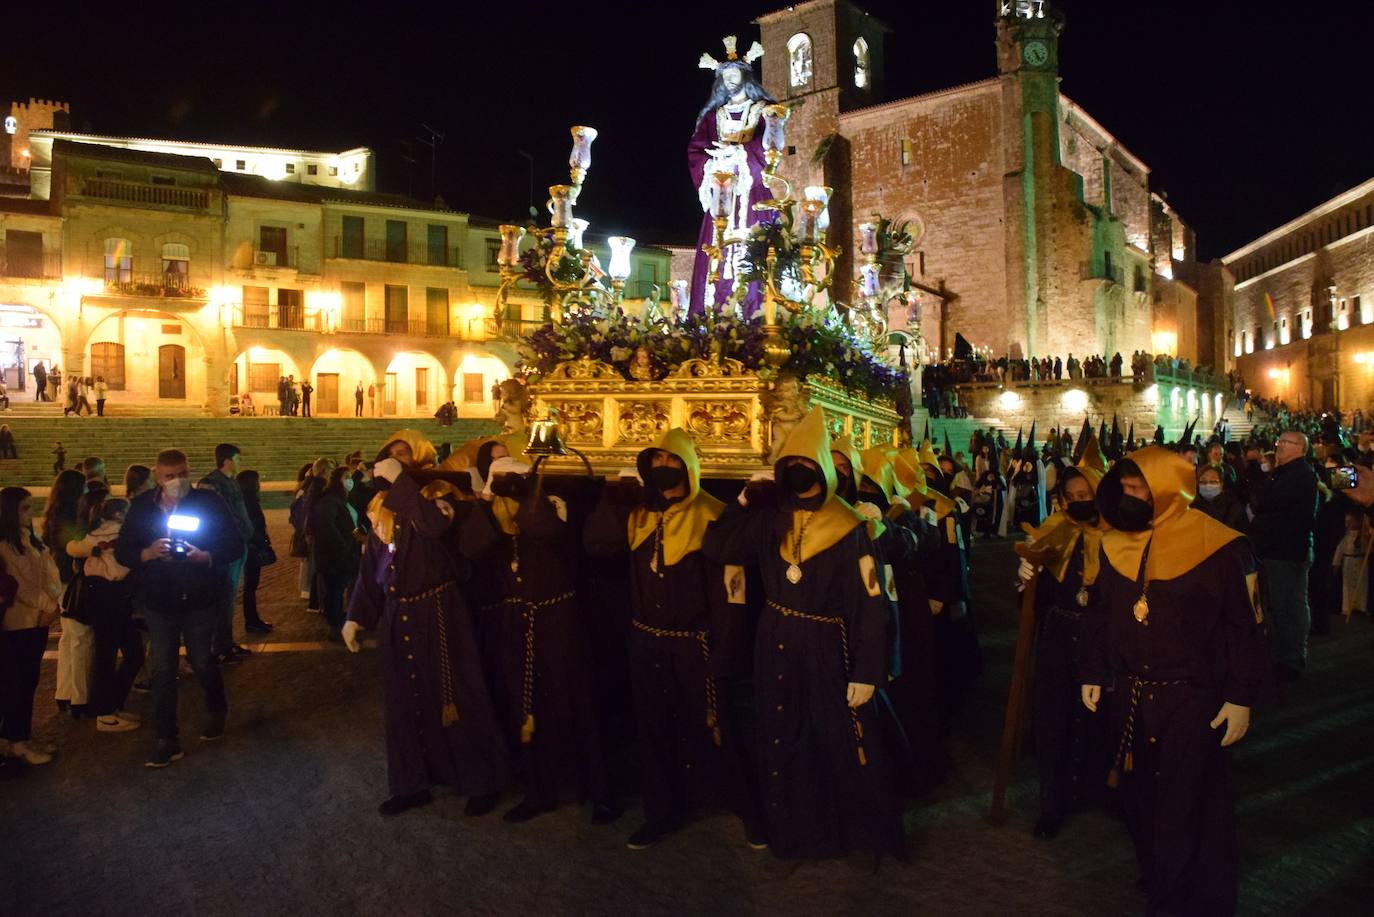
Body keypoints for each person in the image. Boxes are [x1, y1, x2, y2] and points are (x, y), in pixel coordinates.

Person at [703, 407, 904, 867]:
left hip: (828, 645)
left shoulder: (849, 525)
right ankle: (795, 832)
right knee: (782, 735)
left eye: (807, 465)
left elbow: (870, 603)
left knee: (837, 739)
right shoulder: (769, 518)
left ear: (824, 471)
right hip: (776, 639)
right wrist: (740, 502)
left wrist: (867, 670)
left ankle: (852, 836)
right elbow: (718, 548)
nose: (798, 473)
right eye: (790, 464)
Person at [1082, 447, 1273, 917]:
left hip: (1192, 697)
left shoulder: (1223, 545)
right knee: (1139, 797)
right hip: (1130, 693)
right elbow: (1101, 615)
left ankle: (1189, 899)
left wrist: (1240, 694)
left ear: (1166, 488)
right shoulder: (1115, 542)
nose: (1129, 497)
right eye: (1123, 488)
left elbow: (1244, 627)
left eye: (1139, 488)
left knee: (1189, 805)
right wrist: (1093, 669)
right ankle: (1160, 876)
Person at [583, 429, 765, 850]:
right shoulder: (640, 514)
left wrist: (725, 649)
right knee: (653, 731)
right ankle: (660, 812)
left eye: (672, 462)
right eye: (657, 463)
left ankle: (749, 813)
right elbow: (599, 545)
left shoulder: (713, 515)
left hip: (696, 644)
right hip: (647, 642)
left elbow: (732, 589)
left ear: (689, 467)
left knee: (719, 729)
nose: (664, 469)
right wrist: (614, 500)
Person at [342, 430, 510, 817]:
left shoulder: (441, 494)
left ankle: (479, 779)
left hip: (439, 607)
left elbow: (434, 529)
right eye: (391, 453)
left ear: (420, 460)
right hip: (397, 612)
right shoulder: (380, 505)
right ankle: (411, 782)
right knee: (403, 702)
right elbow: (372, 567)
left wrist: (404, 485)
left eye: (405, 455)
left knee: (458, 696)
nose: (397, 459)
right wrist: (356, 615)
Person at [460, 450, 615, 825]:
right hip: (517, 619)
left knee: (575, 701)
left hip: (558, 617)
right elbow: (470, 547)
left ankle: (599, 791)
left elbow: (548, 533)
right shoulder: (496, 516)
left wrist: (527, 492)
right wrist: (486, 498)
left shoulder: (553, 503)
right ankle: (537, 789)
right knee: (524, 706)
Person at [115, 448, 245, 768]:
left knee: (202, 661)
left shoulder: (208, 502)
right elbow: (123, 550)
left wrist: (206, 556)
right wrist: (146, 553)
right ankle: (166, 738)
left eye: (183, 475)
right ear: (157, 478)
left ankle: (216, 709)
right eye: (170, 477)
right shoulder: (143, 507)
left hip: (199, 596)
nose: (177, 482)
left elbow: (234, 543)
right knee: (162, 669)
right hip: (159, 600)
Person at [1017, 452, 1111, 841]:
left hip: (1101, 638)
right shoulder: (1053, 530)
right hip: (1057, 635)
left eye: (1085, 492)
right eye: (1071, 495)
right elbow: (1033, 603)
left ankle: (1100, 792)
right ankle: (1052, 804)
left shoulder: (1119, 535)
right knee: (1053, 719)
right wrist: (1026, 580)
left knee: (1100, 720)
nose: (1078, 500)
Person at [67, 498, 143, 733]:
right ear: (120, 515)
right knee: (112, 653)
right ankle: (104, 712)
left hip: (105, 596)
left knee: (124, 653)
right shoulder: (122, 534)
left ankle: (110, 705)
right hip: (109, 596)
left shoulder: (95, 534)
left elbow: (72, 546)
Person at [0, 487, 63, 765]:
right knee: (16, 684)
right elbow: (19, 585)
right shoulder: (5, 545)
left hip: (38, 619)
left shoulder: (30, 539)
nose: (30, 513)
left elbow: (48, 573)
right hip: (19, 621)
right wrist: (48, 606)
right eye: (25, 508)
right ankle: (15, 741)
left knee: (29, 682)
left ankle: (21, 737)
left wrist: (53, 602)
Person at [1248, 431, 1318, 680]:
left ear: (1300, 448)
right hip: (1278, 548)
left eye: (1285, 443)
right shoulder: (1285, 473)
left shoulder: (1299, 475)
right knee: (1286, 604)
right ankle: (1289, 654)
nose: (1279, 446)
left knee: (1286, 605)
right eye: (1279, 442)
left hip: (1285, 550)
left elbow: (1264, 502)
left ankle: (1290, 658)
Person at [197, 444, 254, 663]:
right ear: (228, 460)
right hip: (224, 547)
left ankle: (225, 642)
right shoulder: (210, 484)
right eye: (238, 459)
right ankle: (219, 646)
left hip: (238, 544)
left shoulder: (231, 482)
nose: (240, 463)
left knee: (229, 597)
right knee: (224, 597)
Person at [47, 470, 92, 718]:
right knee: (80, 639)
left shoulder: (55, 514)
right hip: (71, 581)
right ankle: (79, 697)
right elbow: (75, 547)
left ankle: (64, 693)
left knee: (69, 638)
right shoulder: (69, 516)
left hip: (63, 580)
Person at [310, 466, 361, 632]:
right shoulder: (329, 500)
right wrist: (343, 546)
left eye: (351, 476)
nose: (350, 480)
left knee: (337, 589)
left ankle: (337, 618)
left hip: (342, 551)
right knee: (334, 589)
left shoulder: (341, 498)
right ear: (337, 480)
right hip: (334, 554)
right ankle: (335, 624)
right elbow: (327, 527)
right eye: (346, 476)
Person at [236, 471, 274, 635]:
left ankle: (253, 620)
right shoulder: (249, 502)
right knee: (250, 586)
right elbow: (253, 527)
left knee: (251, 586)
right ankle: (251, 621)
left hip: (251, 546)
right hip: (252, 548)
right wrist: (261, 542)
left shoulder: (245, 500)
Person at [1194, 465, 1247, 532]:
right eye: (1203, 482)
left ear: (1221, 484)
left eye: (1213, 481)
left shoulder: (1232, 506)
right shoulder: (1193, 507)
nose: (1208, 485)